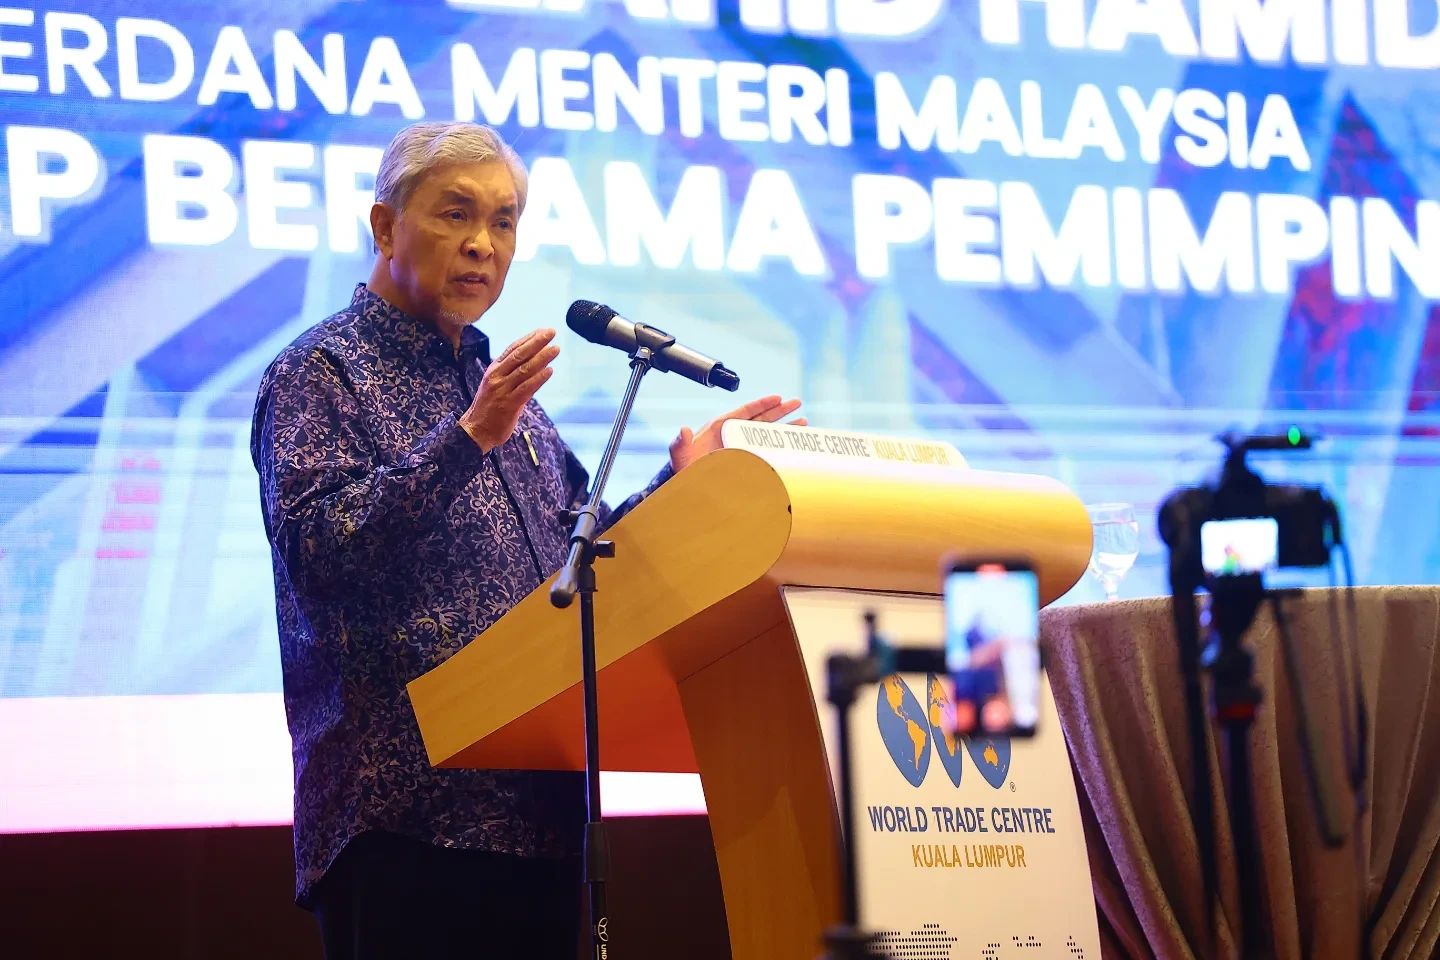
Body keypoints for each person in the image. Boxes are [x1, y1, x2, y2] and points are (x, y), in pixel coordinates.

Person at [249, 120, 802, 959]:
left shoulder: (503, 393)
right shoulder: (320, 373)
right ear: (385, 227)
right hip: (403, 821)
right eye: (456, 214)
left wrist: (681, 482)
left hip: (537, 813)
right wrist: (467, 438)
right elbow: (319, 552)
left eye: (503, 222)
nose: (483, 244)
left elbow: (581, 552)